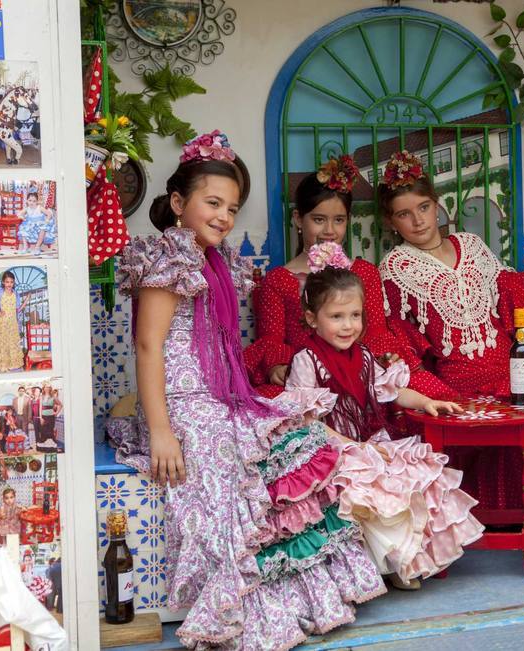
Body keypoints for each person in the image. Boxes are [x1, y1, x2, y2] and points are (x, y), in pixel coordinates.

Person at [112, 130, 385, 648]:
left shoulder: (213, 262)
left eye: (232, 207)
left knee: (299, 440)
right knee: (241, 464)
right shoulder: (164, 263)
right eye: (212, 203)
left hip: (218, 399)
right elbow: (148, 349)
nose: (223, 216)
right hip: (182, 407)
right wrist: (162, 432)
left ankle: (305, 598)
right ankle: (238, 601)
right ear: (177, 202)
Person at [284, 242, 483, 590]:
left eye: (355, 316)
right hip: (328, 449)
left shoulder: (362, 355)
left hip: (365, 442)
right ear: (312, 319)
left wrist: (426, 402)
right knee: (367, 485)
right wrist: (352, 447)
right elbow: (306, 422)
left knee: (410, 474)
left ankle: (401, 561)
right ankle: (376, 566)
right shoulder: (307, 360)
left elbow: (388, 390)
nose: (348, 326)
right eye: (336, 317)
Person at [377, 150, 524, 510]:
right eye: (404, 214)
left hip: (509, 363)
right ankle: (483, 516)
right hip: (458, 378)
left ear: (437, 206)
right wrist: (434, 391)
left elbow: (512, 292)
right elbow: (402, 341)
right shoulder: (396, 267)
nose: (417, 221)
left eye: (423, 207)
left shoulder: (471, 245)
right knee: (471, 415)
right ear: (391, 222)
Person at [244, 155, 455, 400]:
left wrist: (385, 357)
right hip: (309, 377)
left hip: (362, 373)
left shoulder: (364, 272)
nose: (330, 230)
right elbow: (271, 339)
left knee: (428, 397)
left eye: (339, 220)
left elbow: (375, 332)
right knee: (274, 410)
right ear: (298, 219)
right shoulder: (278, 280)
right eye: (319, 219)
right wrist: (276, 367)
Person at [0, 270, 25, 372]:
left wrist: (26, 301)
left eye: (11, 282)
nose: (9, 284)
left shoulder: (16, 293)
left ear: (13, 282)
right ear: (3, 282)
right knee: (1, 344)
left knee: (11, 343)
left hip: (13, 324)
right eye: (7, 282)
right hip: (2, 323)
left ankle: (12, 365)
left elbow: (17, 310)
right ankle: (0, 365)